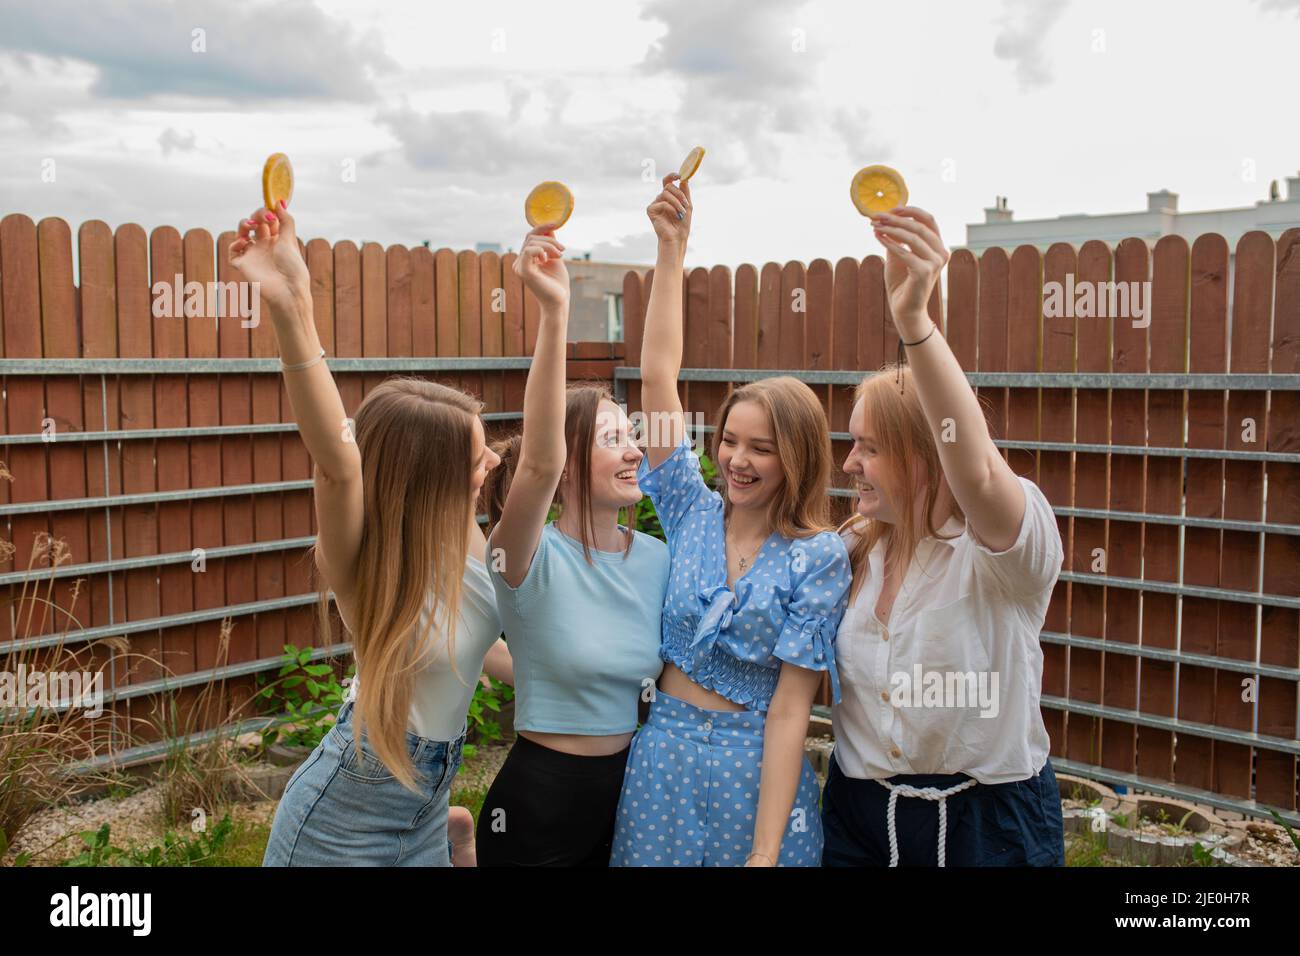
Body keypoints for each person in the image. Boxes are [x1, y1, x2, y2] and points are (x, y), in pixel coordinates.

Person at [237, 202, 511, 866]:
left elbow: (493, 656)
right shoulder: (365, 564)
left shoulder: (468, 542)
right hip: (344, 822)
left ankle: (457, 836)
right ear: (433, 475)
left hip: (422, 806)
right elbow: (336, 460)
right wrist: (290, 308)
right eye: (478, 457)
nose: (495, 462)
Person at [609, 175, 849, 867]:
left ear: (796, 457)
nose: (737, 461)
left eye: (761, 449)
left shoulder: (820, 556)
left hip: (756, 768)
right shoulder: (688, 509)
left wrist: (765, 853)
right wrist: (671, 251)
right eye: (729, 441)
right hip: (663, 755)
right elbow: (658, 376)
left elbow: (789, 713)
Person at [823, 205, 1066, 867]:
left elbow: (980, 471)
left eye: (867, 448)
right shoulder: (850, 553)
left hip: (989, 827)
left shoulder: (1006, 557)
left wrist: (915, 324)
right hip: (860, 816)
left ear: (924, 458)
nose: (848, 466)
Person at [476, 227, 669, 866]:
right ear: (569, 461)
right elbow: (535, 464)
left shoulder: (657, 561)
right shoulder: (525, 556)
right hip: (538, 805)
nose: (636, 450)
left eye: (634, 434)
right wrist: (556, 311)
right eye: (614, 438)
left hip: (633, 793)